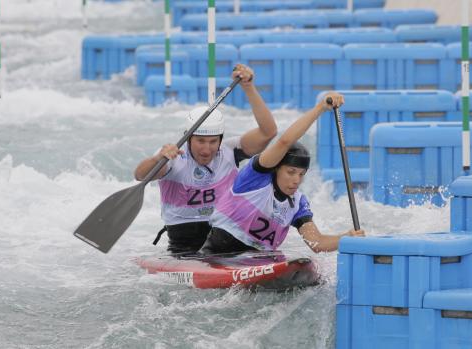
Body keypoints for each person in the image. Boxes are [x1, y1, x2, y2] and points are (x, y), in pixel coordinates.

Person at [134, 64, 278, 254]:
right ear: (189, 137)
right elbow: (140, 175)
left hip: (225, 235)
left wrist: (249, 88)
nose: (206, 149)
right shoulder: (173, 156)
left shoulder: (229, 151)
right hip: (184, 243)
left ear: (220, 139)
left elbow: (269, 132)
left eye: (212, 142)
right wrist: (158, 158)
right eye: (200, 141)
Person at [200, 92, 365, 254]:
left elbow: (317, 244)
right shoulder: (255, 177)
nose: (296, 180)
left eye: (301, 174)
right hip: (217, 254)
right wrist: (320, 108)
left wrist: (347, 237)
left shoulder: (298, 203)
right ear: (277, 168)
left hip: (254, 262)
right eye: (291, 172)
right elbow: (285, 141)